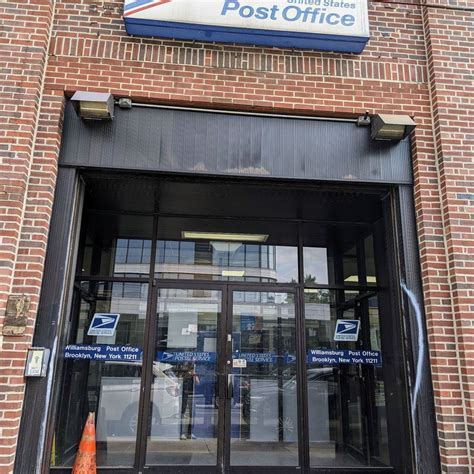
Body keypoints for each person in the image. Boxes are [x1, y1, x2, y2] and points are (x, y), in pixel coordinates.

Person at [179, 362, 200, 440]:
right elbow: (180, 381)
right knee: (183, 414)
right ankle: (182, 433)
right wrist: (187, 374)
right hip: (184, 395)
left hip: (191, 395)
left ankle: (190, 433)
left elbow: (197, 382)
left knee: (192, 415)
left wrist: (194, 374)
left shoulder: (193, 375)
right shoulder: (183, 374)